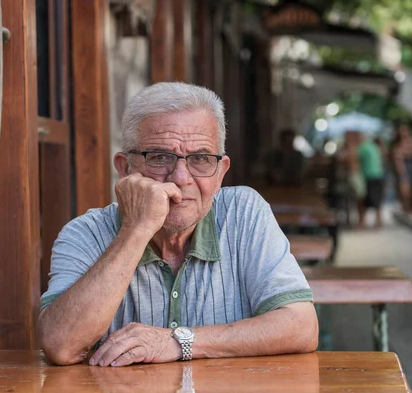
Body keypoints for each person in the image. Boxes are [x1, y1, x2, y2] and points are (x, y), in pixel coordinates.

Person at [38, 82, 318, 367]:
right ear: (125, 168)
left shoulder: (244, 212)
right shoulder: (85, 233)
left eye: (200, 159)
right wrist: (136, 228)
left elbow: (301, 325)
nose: (181, 177)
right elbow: (61, 346)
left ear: (220, 172)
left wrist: (177, 341)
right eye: (160, 158)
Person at [390, 122, 412, 214]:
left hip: (411, 167)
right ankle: (406, 208)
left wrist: (405, 154)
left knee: (411, 189)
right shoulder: (397, 143)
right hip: (403, 168)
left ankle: (409, 207)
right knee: (404, 189)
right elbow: (397, 156)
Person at [358, 137, 385, 228]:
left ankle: (363, 222)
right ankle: (378, 221)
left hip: (369, 176)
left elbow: (356, 160)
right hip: (378, 175)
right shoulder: (375, 148)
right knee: (376, 200)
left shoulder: (362, 147)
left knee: (367, 199)